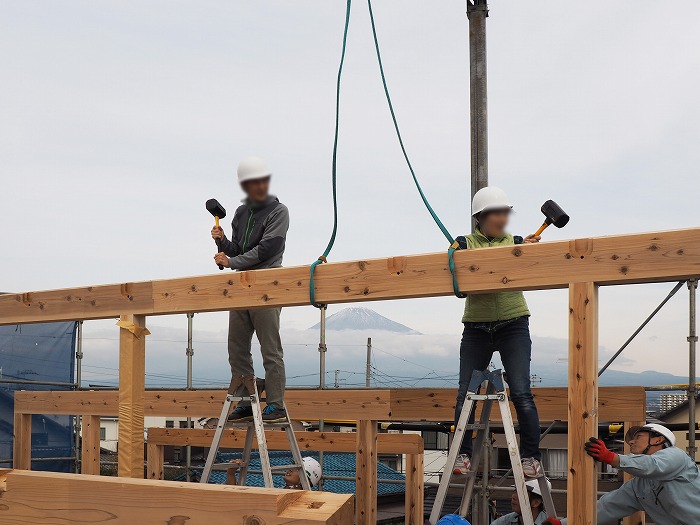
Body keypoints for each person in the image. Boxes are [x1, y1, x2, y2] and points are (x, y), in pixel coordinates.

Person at [453, 187, 543, 478]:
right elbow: (454, 272)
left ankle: (531, 457)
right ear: (481, 216)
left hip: (513, 322)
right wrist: (455, 256)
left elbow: (531, 264)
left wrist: (526, 250)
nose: (503, 218)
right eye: (498, 212)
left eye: (506, 212)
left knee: (521, 392)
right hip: (476, 326)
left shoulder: (516, 242)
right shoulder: (463, 244)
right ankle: (461, 456)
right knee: (464, 393)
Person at [211, 156, 290, 423]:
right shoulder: (241, 212)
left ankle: (276, 405)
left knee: (270, 348)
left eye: (260, 180)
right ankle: (247, 399)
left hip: (267, 283)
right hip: (241, 285)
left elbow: (268, 249)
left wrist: (231, 261)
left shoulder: (279, 211)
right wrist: (224, 243)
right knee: (237, 347)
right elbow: (239, 251)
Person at [543, 423, 700, 525]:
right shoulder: (639, 487)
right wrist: (564, 523)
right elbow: (606, 507)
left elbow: (652, 465)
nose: (631, 442)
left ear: (658, 439)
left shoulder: (677, 456)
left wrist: (611, 457)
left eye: (638, 437)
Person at [226, 456, 322, 489]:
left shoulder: (297, 500)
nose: (290, 470)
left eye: (297, 469)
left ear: (307, 479)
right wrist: (231, 474)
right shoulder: (283, 492)